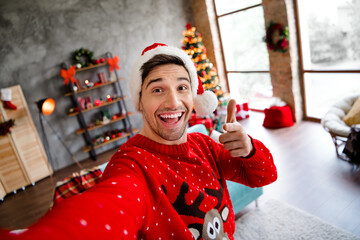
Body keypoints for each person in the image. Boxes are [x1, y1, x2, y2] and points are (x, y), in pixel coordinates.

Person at [1, 43, 277, 240]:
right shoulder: (131, 165)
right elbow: (108, 210)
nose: (173, 101)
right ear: (139, 103)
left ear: (194, 98)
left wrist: (249, 148)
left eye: (182, 87)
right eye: (157, 89)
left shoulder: (204, 145)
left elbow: (265, 175)